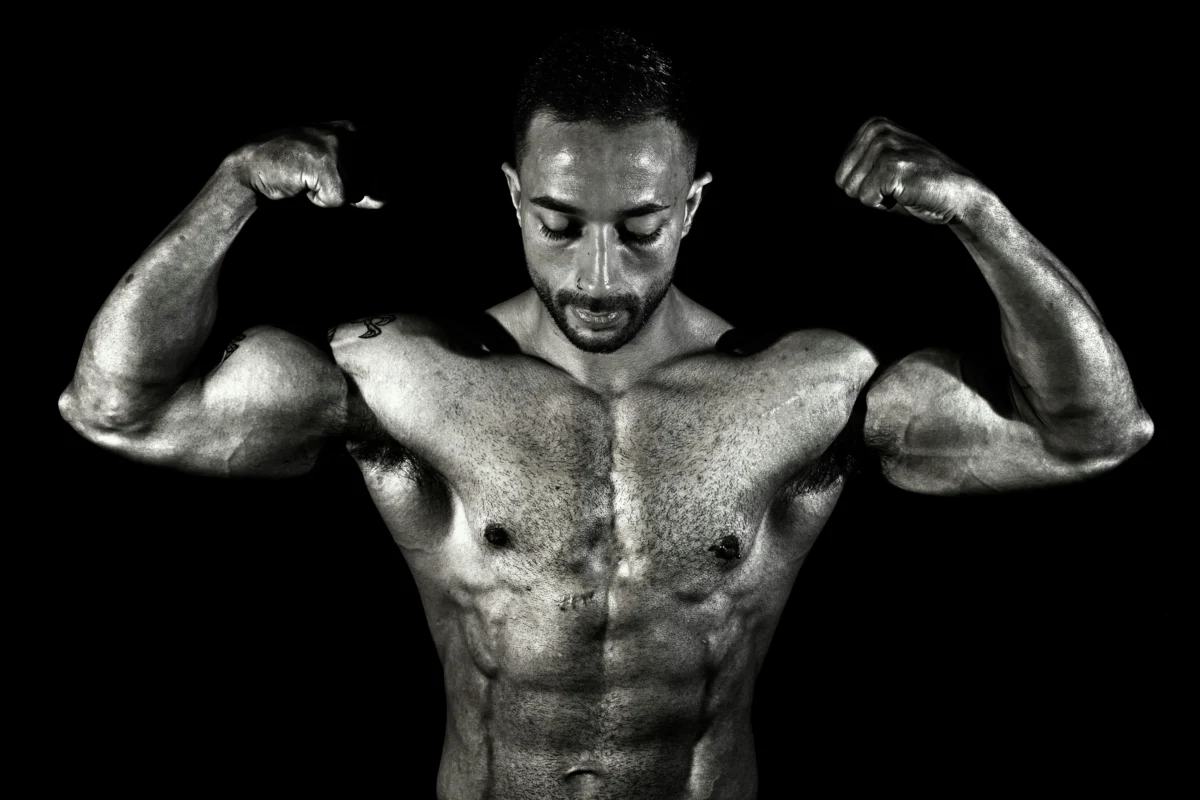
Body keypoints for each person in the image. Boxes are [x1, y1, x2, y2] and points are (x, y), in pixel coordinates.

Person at [58, 28, 1153, 800]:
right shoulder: (408, 378)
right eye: (557, 223)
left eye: (639, 229)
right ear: (511, 196)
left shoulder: (803, 388)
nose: (596, 273)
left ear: (693, 207)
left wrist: (980, 215)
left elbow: (1092, 431)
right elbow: (117, 406)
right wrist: (234, 188)